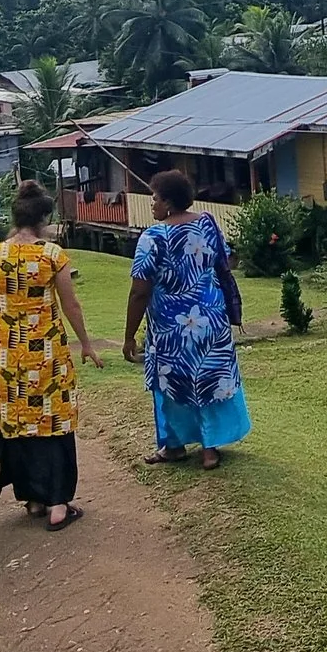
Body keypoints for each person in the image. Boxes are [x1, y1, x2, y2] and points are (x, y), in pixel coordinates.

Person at [0, 182, 104, 530]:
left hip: (4, 351)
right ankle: (58, 502)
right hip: (46, 351)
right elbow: (70, 305)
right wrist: (86, 343)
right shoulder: (52, 255)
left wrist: (0, 346)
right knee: (54, 420)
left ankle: (32, 497)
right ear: (43, 218)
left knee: (17, 422)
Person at [124, 170, 250, 469]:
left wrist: (129, 336)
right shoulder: (206, 223)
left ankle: (174, 446)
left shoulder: (153, 238)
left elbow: (139, 292)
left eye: (154, 199)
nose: (151, 204)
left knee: (171, 385)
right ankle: (209, 450)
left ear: (167, 202)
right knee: (209, 379)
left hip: (172, 329)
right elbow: (225, 260)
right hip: (211, 321)